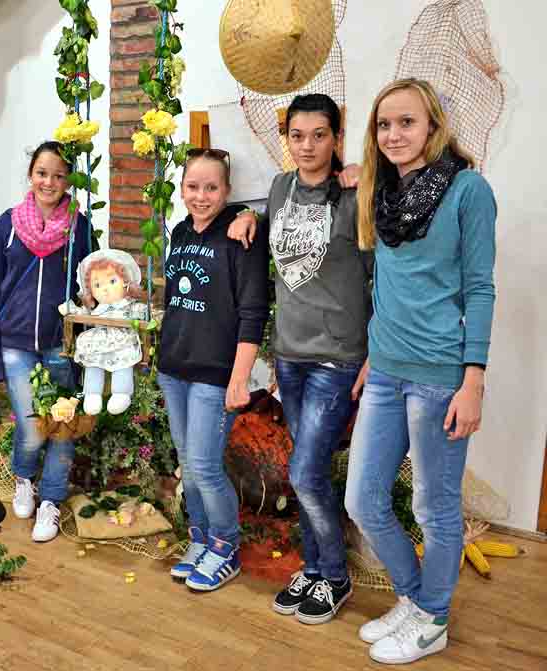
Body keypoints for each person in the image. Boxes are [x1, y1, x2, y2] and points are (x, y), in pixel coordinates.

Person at [343, 78, 496, 665]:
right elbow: (388, 283)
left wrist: (473, 380)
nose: (393, 134)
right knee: (363, 499)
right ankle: (415, 598)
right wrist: (371, 356)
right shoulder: (382, 192)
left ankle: (433, 620)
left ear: (433, 125)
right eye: (384, 125)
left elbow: (479, 288)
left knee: (435, 507)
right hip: (385, 370)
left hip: (439, 375)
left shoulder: (468, 190)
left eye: (406, 122)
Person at [228, 94, 372, 625]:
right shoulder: (280, 186)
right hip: (289, 356)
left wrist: (376, 351)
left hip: (338, 357)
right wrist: (248, 216)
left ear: (336, 138)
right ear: (286, 139)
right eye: (297, 135)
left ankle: (334, 575)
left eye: (319, 135)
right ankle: (313, 570)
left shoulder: (356, 195)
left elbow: (384, 276)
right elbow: (267, 222)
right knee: (307, 471)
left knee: (306, 472)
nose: (307, 146)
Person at [160, 148, 270, 592]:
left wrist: (239, 377)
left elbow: (253, 312)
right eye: (192, 186)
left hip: (214, 372)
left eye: (211, 187)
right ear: (181, 189)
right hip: (173, 368)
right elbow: (175, 298)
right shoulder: (180, 231)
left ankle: (226, 547)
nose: (201, 196)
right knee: (188, 463)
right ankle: (201, 538)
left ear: (227, 190)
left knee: (205, 466)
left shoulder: (241, 234)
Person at [0, 141, 94, 543]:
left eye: (59, 175)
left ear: (68, 181)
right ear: (31, 175)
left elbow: (91, 281)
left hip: (61, 342)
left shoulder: (80, 227)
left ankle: (52, 500)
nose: (49, 182)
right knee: (31, 427)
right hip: (14, 343)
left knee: (62, 425)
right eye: (42, 173)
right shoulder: (7, 225)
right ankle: (24, 478)